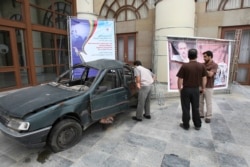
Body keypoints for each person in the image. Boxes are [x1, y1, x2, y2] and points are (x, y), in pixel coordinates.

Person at [176, 49, 207, 130]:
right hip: (196, 90)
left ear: (188, 56)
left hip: (186, 90)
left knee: (185, 108)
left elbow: (180, 79)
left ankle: (186, 125)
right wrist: (203, 88)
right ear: (196, 56)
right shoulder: (201, 66)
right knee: (196, 107)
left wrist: (179, 89)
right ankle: (197, 125)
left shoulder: (184, 66)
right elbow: (204, 78)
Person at [199, 51, 218, 123]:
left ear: (210, 56)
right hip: (200, 86)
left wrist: (203, 70)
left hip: (209, 87)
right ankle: (201, 114)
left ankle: (208, 116)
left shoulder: (214, 65)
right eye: (203, 56)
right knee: (200, 101)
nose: (204, 58)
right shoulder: (202, 64)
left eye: (205, 56)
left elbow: (210, 75)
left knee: (208, 102)